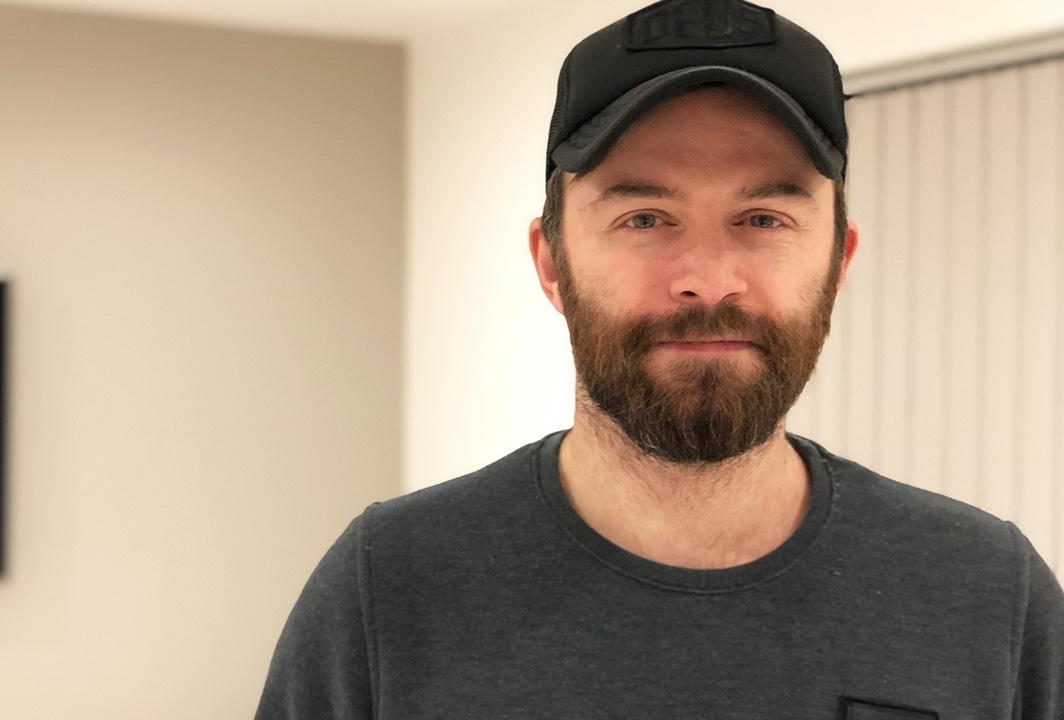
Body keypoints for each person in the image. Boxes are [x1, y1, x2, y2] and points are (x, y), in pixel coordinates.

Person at [254, 1, 1064, 717]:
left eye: (763, 218)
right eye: (644, 218)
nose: (708, 278)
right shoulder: (393, 584)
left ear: (838, 260)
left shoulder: (988, 595)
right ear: (551, 263)